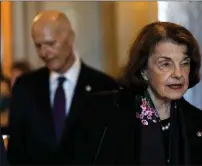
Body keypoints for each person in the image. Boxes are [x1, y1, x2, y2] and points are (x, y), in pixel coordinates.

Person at [63, 21, 202, 165]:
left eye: (185, 63)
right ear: (143, 70)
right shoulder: (102, 112)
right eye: (166, 64)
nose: (178, 73)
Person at [7, 10, 119, 165]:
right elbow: (15, 152)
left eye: (51, 43)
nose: (44, 52)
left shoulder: (106, 87)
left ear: (70, 37)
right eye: (38, 46)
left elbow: (113, 151)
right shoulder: (25, 87)